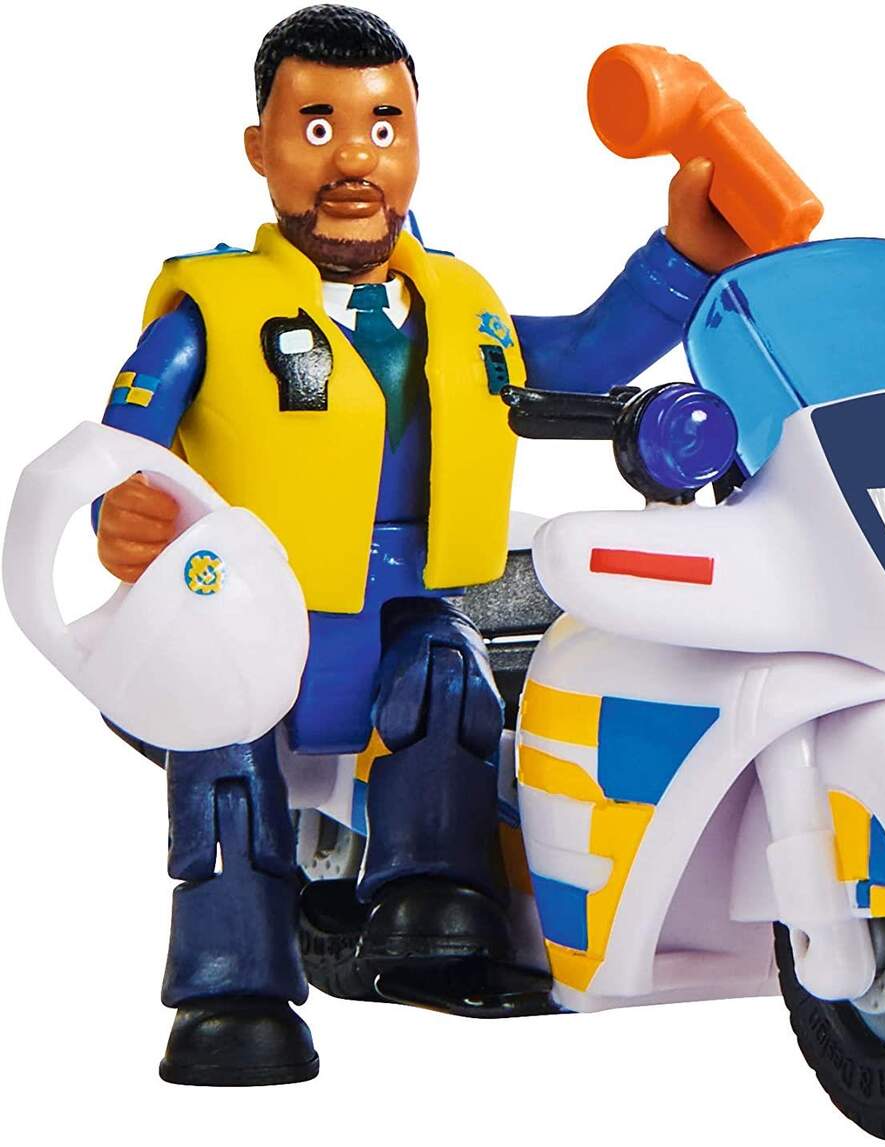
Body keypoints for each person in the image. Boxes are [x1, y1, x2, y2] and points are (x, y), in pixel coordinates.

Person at [95, 3, 749, 1086]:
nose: (354, 157)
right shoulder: (210, 312)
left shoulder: (458, 308)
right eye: (318, 127)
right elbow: (118, 453)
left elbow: (583, 354)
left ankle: (434, 903)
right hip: (246, 611)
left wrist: (685, 260)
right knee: (226, 770)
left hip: (414, 600)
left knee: (450, 692)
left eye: (384, 125)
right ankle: (231, 986)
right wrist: (120, 514)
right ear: (260, 147)